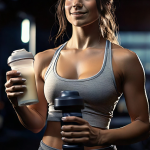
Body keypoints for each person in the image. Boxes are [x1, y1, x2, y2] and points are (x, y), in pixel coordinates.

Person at [5, 0, 150, 150]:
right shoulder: (44, 59)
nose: (76, 3)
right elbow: (36, 124)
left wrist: (100, 136)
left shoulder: (124, 59)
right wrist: (18, 103)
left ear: (106, 4)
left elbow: (143, 125)